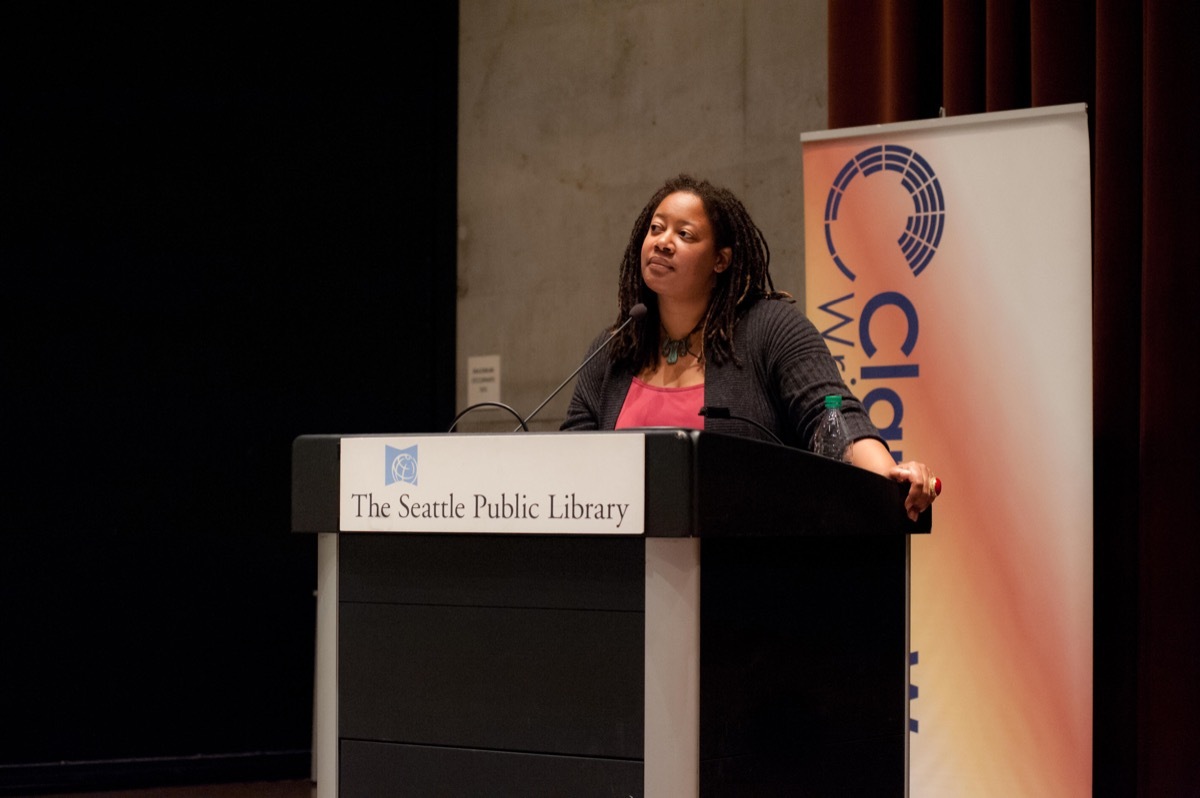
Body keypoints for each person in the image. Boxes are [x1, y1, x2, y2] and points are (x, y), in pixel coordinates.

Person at [560, 174, 940, 521]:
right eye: (656, 229)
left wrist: (890, 474)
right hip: (624, 563)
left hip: (742, 556)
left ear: (720, 260)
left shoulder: (770, 329)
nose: (662, 242)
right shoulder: (615, 349)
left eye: (684, 234)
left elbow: (830, 414)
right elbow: (568, 459)